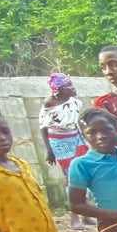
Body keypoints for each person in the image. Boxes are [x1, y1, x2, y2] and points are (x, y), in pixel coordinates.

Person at [38, 73, 88, 210]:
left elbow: (76, 120)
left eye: (71, 84)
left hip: (76, 137)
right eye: (68, 85)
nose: (72, 88)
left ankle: (85, 211)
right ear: (58, 89)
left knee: (83, 171)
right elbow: (43, 126)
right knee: (71, 175)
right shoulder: (50, 103)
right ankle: (76, 214)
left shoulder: (73, 101)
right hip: (60, 142)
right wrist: (50, 151)